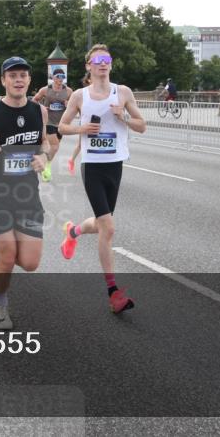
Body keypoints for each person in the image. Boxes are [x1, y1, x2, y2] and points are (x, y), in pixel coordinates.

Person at [58, 44, 147, 314]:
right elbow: (61, 126)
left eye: (106, 59)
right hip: (93, 166)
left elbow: (142, 125)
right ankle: (113, 293)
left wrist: (124, 117)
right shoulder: (80, 97)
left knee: (100, 223)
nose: (102, 63)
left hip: (115, 165)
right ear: (88, 66)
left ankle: (72, 232)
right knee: (108, 227)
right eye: (97, 59)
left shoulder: (123, 92)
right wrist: (82, 128)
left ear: (110, 64)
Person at [0, 57, 51, 329]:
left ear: (29, 80)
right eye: (12, 75)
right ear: (3, 80)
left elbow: (45, 143)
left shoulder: (41, 111)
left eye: (23, 75)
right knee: (6, 258)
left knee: (29, 263)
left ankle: (6, 271)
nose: (18, 79)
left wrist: (43, 159)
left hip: (28, 197)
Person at [32, 67, 73, 182]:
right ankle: (46, 167)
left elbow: (74, 105)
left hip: (61, 122)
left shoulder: (69, 91)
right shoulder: (45, 90)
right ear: (53, 78)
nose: (60, 79)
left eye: (62, 77)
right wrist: (40, 107)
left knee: (53, 147)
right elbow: (35, 100)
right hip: (48, 121)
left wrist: (68, 104)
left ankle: (42, 160)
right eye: (58, 77)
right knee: (55, 146)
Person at [66, 73, 90, 175]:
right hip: (84, 124)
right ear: (88, 80)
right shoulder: (82, 94)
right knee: (81, 145)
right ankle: (72, 160)